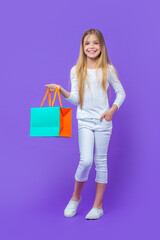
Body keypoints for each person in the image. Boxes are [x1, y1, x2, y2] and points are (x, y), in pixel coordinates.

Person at [45, 29, 126, 220]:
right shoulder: (76, 70)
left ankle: (98, 206)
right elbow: (75, 99)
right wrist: (61, 90)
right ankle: (75, 197)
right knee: (86, 160)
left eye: (95, 43)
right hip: (84, 121)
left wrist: (112, 110)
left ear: (102, 46)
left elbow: (121, 92)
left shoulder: (108, 69)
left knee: (101, 163)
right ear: (82, 47)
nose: (91, 46)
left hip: (103, 122)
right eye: (87, 43)